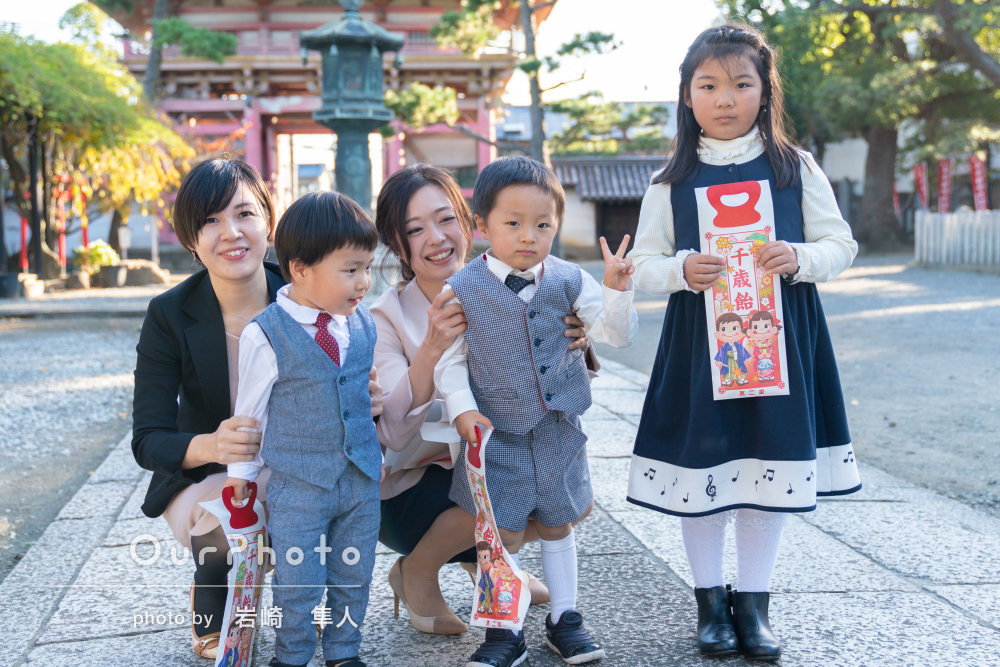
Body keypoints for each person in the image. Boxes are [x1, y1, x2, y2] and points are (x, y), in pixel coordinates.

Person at [624, 23, 861, 661]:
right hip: (702, 349)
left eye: (741, 84)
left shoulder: (794, 167)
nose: (725, 98)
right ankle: (709, 603)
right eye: (708, 85)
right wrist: (679, 270)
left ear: (765, 92)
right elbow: (642, 265)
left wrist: (800, 256)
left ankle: (754, 606)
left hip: (781, 343)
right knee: (705, 466)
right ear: (687, 95)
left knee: (766, 464)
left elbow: (842, 245)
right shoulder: (669, 179)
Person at [131, 156, 383, 660]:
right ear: (190, 239)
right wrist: (212, 445)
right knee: (229, 526)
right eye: (210, 221)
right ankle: (216, 598)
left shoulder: (315, 288)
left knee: (349, 511)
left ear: (269, 219)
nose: (231, 232)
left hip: (305, 460)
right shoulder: (168, 314)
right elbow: (147, 438)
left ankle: (335, 634)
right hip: (211, 474)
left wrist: (362, 400)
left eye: (244, 213)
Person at [370, 164, 594, 636]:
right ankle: (417, 568)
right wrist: (433, 346)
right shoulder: (384, 317)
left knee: (572, 494)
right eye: (414, 229)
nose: (436, 238)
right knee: (490, 491)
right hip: (416, 485)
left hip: (495, 458)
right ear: (395, 242)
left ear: (473, 221)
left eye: (445, 218)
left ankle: (486, 566)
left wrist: (578, 340)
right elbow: (391, 430)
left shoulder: (515, 283)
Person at [436, 156, 639, 667]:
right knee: (498, 533)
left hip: (557, 430)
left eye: (543, 224)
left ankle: (564, 617)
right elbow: (449, 361)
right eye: (513, 223)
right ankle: (502, 628)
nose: (529, 236)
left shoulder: (570, 280)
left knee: (557, 524)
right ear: (481, 226)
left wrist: (616, 290)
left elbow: (617, 335)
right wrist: (461, 410)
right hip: (494, 435)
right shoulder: (462, 288)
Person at [222, 192, 382, 667]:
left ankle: (343, 653)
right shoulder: (266, 333)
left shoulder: (363, 325)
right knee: (298, 580)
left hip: (359, 480)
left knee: (354, 576)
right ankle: (291, 656)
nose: (363, 283)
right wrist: (241, 477)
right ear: (300, 269)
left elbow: (357, 395)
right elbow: (249, 414)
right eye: (350, 270)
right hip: (298, 485)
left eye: (368, 268)